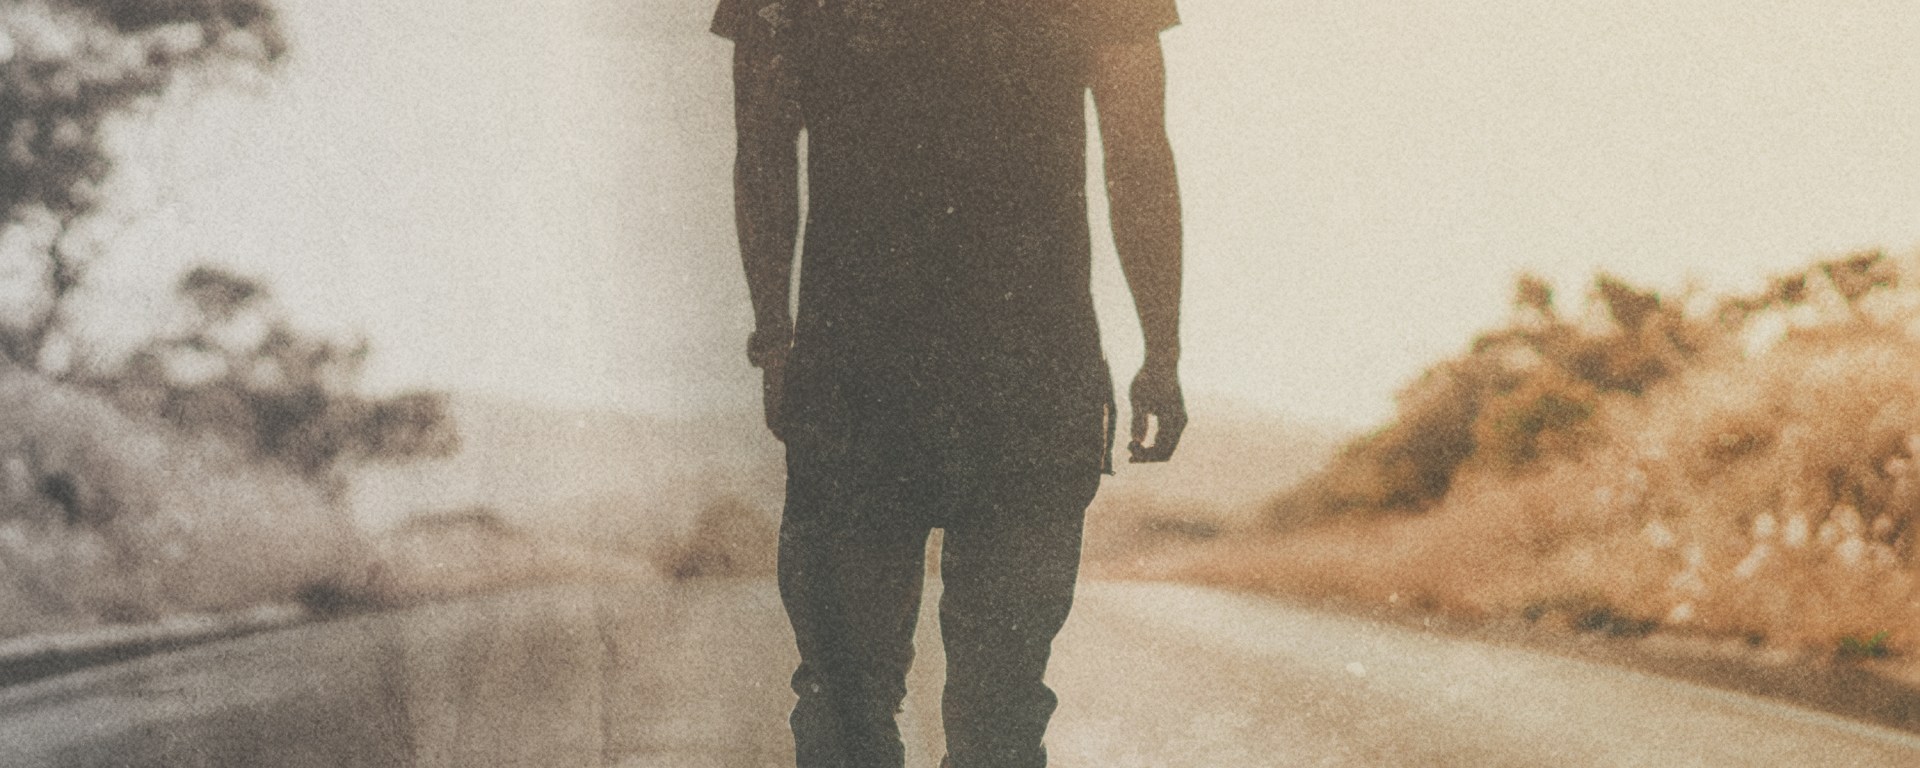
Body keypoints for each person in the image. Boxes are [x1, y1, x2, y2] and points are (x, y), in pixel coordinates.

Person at [714, 0, 1185, 765]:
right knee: (1001, 713)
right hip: (1032, 368)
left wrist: (775, 339)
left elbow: (762, 146)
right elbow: (1137, 153)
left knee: (845, 702)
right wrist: (1160, 351)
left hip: (858, 369)